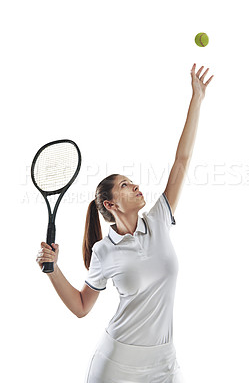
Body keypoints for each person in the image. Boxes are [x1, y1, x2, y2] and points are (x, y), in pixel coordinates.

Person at [36, 63, 214, 382]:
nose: (134, 186)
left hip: (164, 364)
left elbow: (182, 160)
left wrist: (197, 98)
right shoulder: (104, 251)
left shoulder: (159, 219)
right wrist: (54, 269)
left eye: (132, 181)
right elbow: (81, 306)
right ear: (111, 204)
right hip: (116, 365)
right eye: (124, 185)